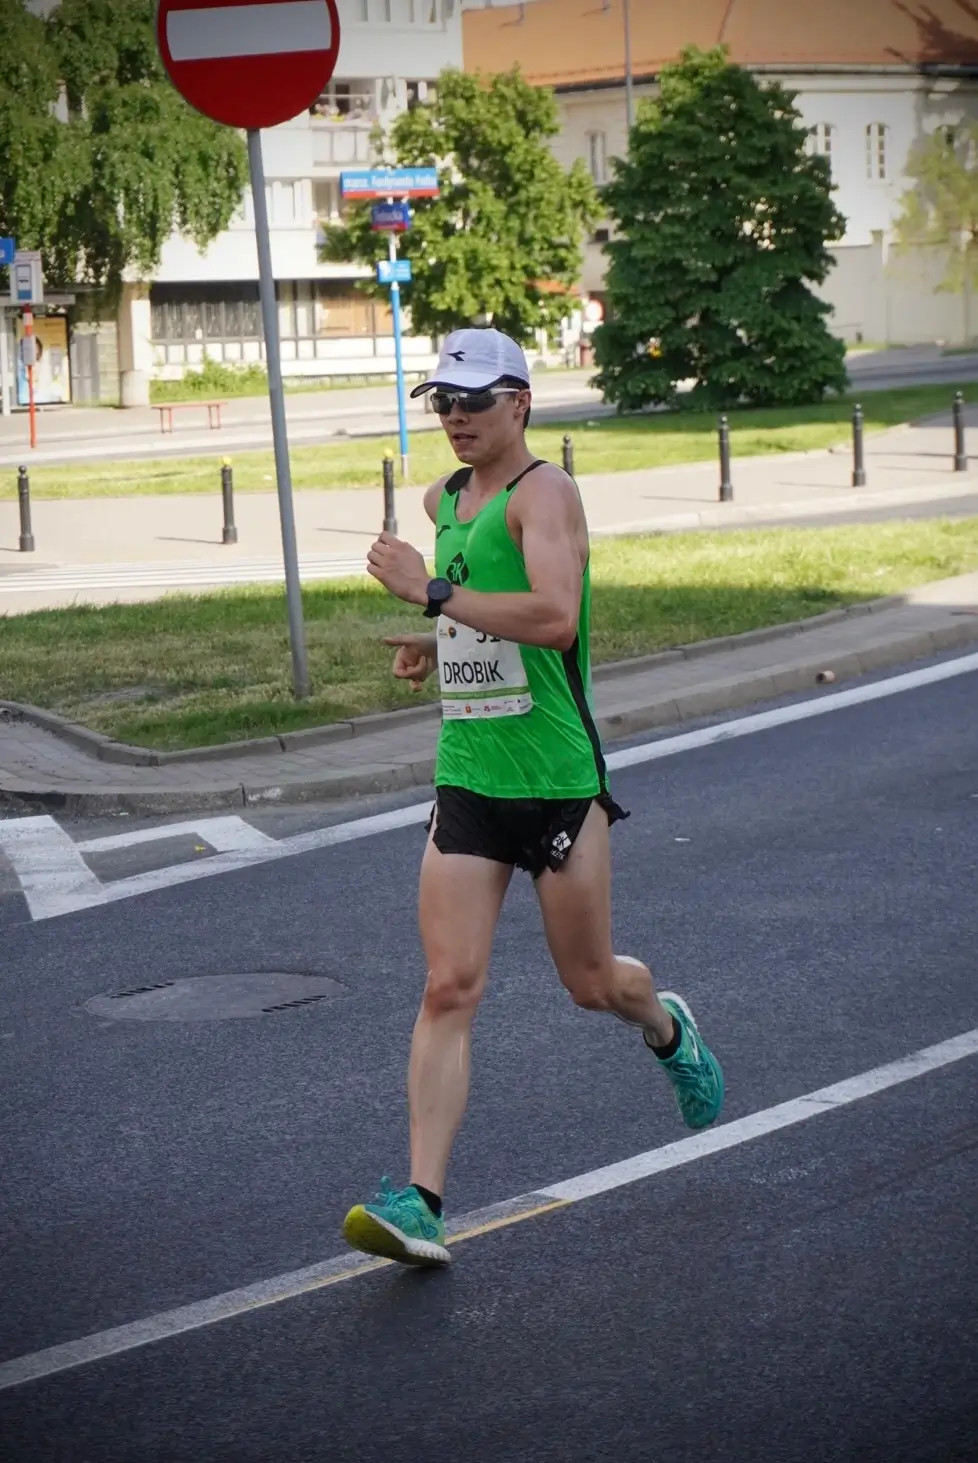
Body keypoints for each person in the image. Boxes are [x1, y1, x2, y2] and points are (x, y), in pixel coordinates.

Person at [342, 327, 723, 1267]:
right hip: (470, 774)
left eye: (476, 400)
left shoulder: (544, 492)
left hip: (556, 780)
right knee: (448, 984)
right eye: (444, 401)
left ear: (521, 402)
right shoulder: (444, 498)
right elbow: (486, 609)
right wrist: (439, 646)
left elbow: (554, 618)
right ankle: (422, 1202)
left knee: (590, 984)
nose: (457, 417)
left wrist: (430, 596)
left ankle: (666, 1025)